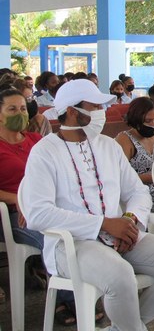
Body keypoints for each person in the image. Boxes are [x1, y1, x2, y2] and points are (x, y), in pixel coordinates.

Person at [21, 79, 154, 331]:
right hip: (72, 244)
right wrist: (104, 224)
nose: (102, 113)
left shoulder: (107, 145)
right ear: (72, 111)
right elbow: (38, 214)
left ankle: (121, 328)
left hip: (122, 234)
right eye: (95, 107)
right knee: (120, 277)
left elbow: (137, 191)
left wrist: (130, 220)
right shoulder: (44, 151)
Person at [0, 89, 80, 323]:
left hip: (48, 205)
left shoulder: (37, 141)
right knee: (53, 238)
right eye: (12, 109)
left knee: (81, 230)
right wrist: (20, 199)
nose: (20, 113)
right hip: (14, 214)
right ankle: (67, 299)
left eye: (23, 108)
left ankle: (83, 290)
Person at [115, 97, 154, 219]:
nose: (153, 124)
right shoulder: (125, 139)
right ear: (136, 119)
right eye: (148, 121)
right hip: (145, 195)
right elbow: (119, 178)